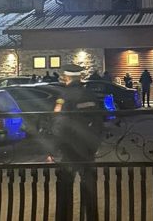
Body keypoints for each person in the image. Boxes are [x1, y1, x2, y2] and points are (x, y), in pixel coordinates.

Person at [50, 63, 104, 220]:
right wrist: (94, 144)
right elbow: (99, 122)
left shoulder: (63, 96)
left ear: (66, 77)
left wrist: (54, 148)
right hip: (87, 148)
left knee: (65, 188)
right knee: (89, 188)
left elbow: (59, 124)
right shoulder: (90, 95)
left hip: (68, 148)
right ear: (80, 77)